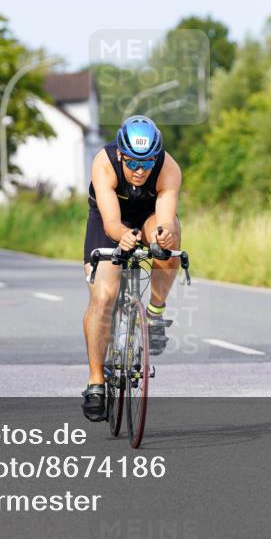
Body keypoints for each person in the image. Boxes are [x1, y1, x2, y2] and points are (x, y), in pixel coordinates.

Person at [80, 116, 182, 421]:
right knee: (104, 296)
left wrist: (164, 235)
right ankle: (96, 380)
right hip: (109, 218)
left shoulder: (169, 168)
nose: (140, 171)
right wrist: (121, 235)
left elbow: (164, 217)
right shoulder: (105, 162)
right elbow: (112, 222)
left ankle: (154, 315)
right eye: (134, 163)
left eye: (148, 163)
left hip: (148, 214)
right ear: (122, 154)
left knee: (168, 245)